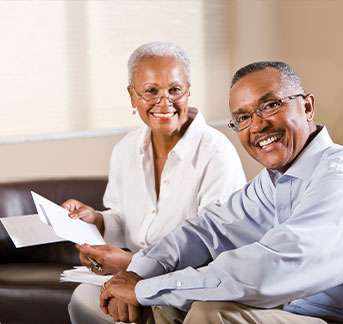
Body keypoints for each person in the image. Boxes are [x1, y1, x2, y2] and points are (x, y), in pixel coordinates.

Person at [99, 61, 343, 324]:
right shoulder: (274, 181)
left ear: (307, 107)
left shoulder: (336, 176)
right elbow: (208, 230)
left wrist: (144, 289)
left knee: (209, 312)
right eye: (242, 118)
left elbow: (269, 268)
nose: (257, 126)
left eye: (270, 105)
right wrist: (136, 274)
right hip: (288, 311)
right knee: (165, 305)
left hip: (329, 317)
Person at [63, 41, 246, 324]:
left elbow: (217, 249)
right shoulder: (126, 149)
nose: (164, 102)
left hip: (189, 291)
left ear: (188, 90)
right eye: (151, 91)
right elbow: (123, 220)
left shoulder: (216, 153)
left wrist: (131, 267)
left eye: (175, 90)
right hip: (133, 279)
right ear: (132, 96)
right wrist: (97, 221)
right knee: (83, 298)